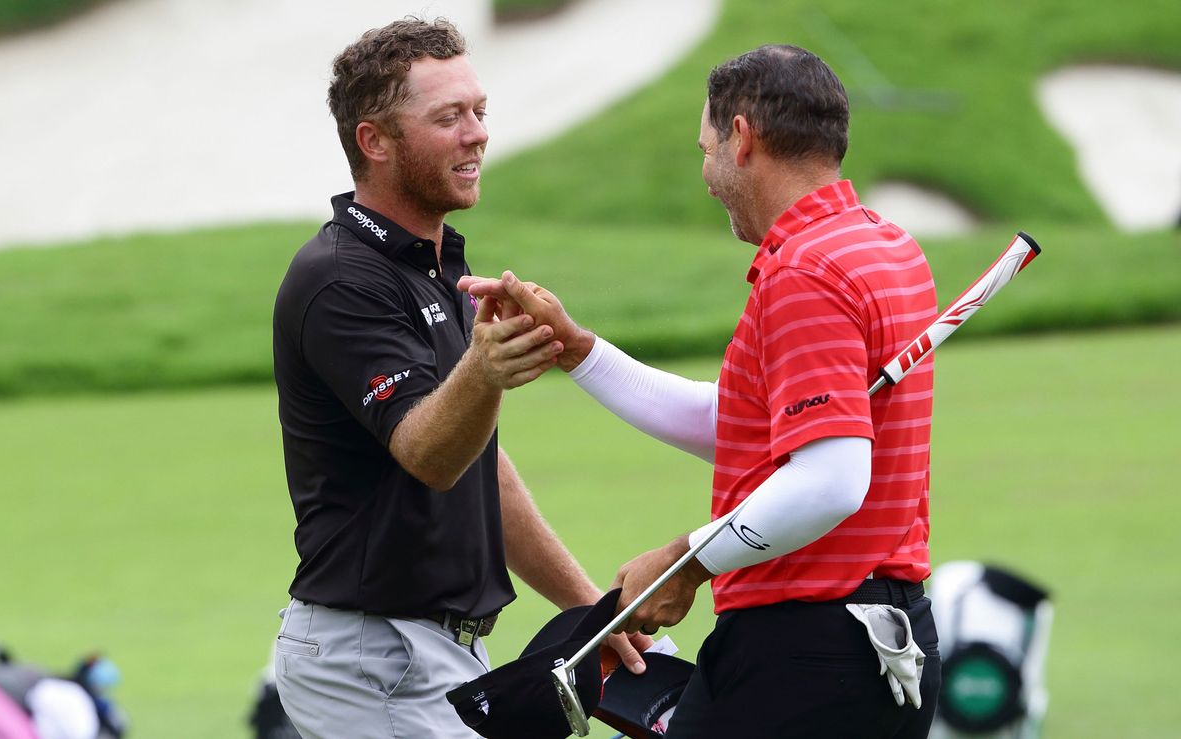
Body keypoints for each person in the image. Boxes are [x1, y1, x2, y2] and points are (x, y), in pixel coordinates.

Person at [462, 44, 942, 738]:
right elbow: (743, 426)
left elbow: (832, 479)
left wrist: (687, 562)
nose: (708, 175)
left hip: (803, 654)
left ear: (742, 139)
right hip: (879, 643)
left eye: (707, 148)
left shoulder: (806, 272)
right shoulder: (884, 248)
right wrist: (579, 350)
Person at [269, 17, 647, 739]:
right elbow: (429, 454)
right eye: (449, 117)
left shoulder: (435, 266)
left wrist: (592, 612)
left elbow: (481, 467)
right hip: (371, 658)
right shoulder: (340, 281)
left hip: (434, 654)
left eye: (479, 112)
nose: (476, 134)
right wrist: (485, 366)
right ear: (375, 141)